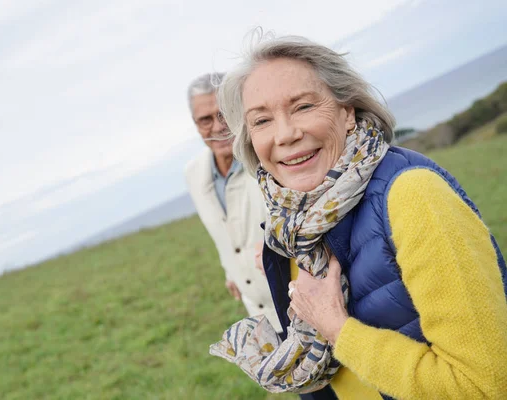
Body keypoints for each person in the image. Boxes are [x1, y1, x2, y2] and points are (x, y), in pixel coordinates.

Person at [210, 32, 507, 399]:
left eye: (303, 107)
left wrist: (339, 329)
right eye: (262, 120)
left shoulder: (415, 198)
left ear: (347, 112)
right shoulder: (294, 229)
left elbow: (484, 387)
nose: (285, 134)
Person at [184, 72, 282, 333]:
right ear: (195, 124)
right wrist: (232, 270)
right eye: (205, 120)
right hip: (258, 317)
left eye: (223, 113)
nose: (217, 127)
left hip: (301, 302)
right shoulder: (194, 173)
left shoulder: (272, 156)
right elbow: (222, 232)